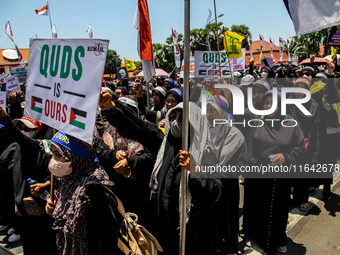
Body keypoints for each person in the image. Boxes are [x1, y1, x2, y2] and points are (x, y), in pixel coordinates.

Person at [149, 102, 222, 255]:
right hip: (168, 227)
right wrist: (112, 108)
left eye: (182, 118)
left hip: (194, 233)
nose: (176, 121)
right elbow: (142, 129)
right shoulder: (169, 145)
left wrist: (195, 171)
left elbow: (212, 196)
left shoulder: (206, 152)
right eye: (173, 116)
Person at [242, 91, 305, 254]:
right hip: (256, 174)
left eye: (273, 103)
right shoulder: (256, 121)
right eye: (266, 103)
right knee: (256, 206)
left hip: (278, 178)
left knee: (276, 210)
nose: (269, 106)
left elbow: (299, 148)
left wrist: (286, 156)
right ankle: (255, 235)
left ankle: (277, 240)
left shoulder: (291, 124)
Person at [46, 130, 124, 255]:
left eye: (58, 154)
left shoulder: (96, 193)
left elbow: (106, 244)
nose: (53, 159)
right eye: (53, 153)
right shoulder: (70, 179)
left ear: (76, 156)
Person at [206, 95, 248, 254]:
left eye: (212, 110)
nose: (208, 114)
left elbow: (242, 164)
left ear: (223, 112)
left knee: (229, 220)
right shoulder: (203, 133)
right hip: (208, 186)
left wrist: (219, 172)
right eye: (207, 111)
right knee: (213, 220)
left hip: (227, 187)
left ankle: (231, 248)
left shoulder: (236, 135)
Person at [287, 77, 322, 211]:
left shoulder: (313, 106)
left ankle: (302, 199)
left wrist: (316, 151)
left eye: (302, 88)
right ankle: (287, 199)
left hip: (305, 143)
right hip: (289, 141)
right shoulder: (288, 103)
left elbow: (316, 130)